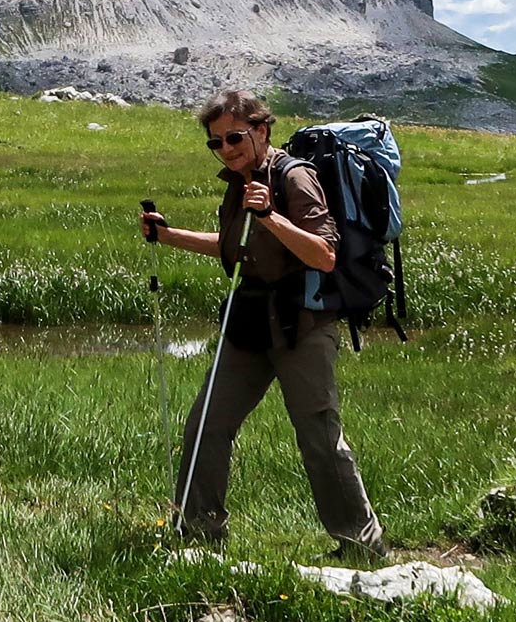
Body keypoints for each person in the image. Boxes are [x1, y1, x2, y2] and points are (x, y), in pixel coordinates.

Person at [142, 90, 387, 561]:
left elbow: (324, 254)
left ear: (262, 130)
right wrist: (169, 236)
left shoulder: (295, 177)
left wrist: (271, 216)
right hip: (249, 327)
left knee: (318, 437)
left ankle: (362, 547)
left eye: (234, 137)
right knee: (206, 426)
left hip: (303, 328)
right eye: (216, 143)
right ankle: (199, 537)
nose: (226, 149)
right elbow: (234, 248)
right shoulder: (240, 182)